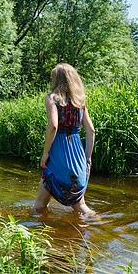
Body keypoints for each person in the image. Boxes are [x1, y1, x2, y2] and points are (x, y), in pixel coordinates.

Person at [34, 63, 95, 215]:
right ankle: (101, 227)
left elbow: (53, 126)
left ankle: (34, 234)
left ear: (56, 80)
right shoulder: (80, 102)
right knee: (81, 208)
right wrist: (87, 157)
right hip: (78, 158)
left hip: (57, 158)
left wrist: (45, 153)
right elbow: (91, 131)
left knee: (39, 206)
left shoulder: (51, 99)